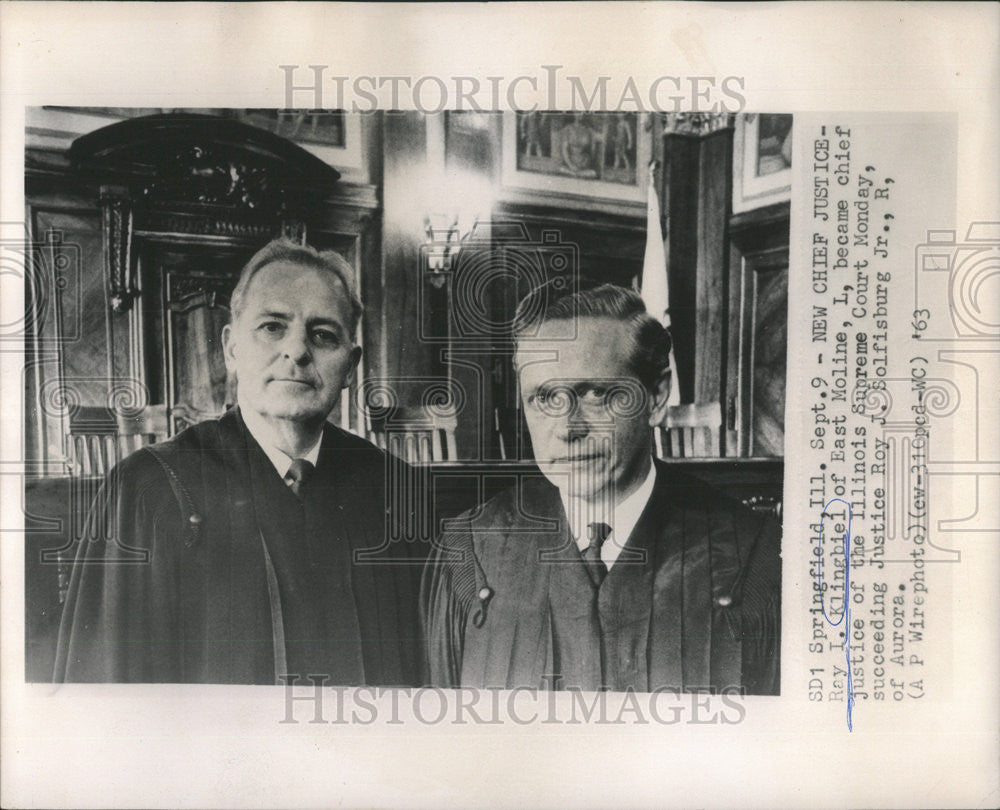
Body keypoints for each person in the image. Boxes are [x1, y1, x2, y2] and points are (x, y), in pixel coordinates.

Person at [55, 239, 423, 685]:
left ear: (350, 366)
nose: (297, 350)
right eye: (272, 327)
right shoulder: (148, 488)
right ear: (231, 349)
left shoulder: (392, 489)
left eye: (323, 335)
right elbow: (104, 692)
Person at [422, 282, 780, 694]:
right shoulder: (469, 557)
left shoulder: (755, 559)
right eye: (544, 398)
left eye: (596, 394)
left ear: (656, 396)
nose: (567, 429)